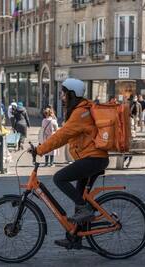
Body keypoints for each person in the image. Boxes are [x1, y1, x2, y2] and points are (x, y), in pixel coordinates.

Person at [29, 78, 109, 249]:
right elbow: (66, 135)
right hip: (91, 158)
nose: (62, 97)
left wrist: (40, 150)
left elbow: (62, 135)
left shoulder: (80, 113)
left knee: (59, 178)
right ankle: (75, 237)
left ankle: (84, 210)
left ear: (72, 94)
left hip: (93, 159)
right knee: (79, 199)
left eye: (64, 94)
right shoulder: (80, 110)